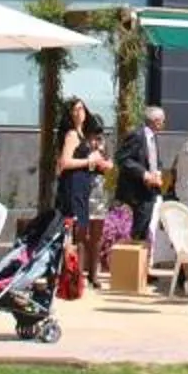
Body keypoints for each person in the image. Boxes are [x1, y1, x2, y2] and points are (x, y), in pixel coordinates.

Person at [55, 97, 111, 282]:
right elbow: (64, 162)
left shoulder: (85, 135)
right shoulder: (72, 134)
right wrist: (90, 161)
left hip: (89, 186)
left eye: (81, 108)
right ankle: (74, 276)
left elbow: (107, 162)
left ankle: (86, 276)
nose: (79, 112)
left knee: (91, 232)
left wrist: (100, 162)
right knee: (78, 232)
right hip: (76, 187)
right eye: (75, 109)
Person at [116, 105, 169, 248]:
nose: (164, 124)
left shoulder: (153, 137)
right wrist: (144, 174)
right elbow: (123, 159)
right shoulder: (137, 135)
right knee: (137, 231)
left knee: (145, 230)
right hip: (136, 193)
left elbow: (154, 160)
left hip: (149, 191)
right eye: (163, 121)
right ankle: (132, 263)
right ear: (156, 121)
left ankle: (141, 264)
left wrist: (157, 171)